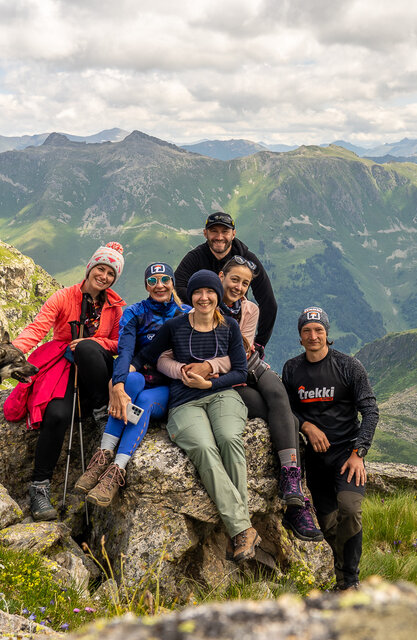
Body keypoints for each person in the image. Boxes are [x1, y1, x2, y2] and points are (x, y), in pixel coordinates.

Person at [158, 257, 323, 541]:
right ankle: (273, 511)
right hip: (231, 378)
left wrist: (211, 367)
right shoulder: (204, 303)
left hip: (248, 366)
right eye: (234, 280)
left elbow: (244, 351)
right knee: (262, 409)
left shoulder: (249, 309)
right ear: (221, 277)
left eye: (245, 283)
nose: (239, 287)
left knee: (277, 396)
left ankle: (291, 477)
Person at [133, 270, 259, 562]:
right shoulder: (175, 326)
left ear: (217, 295)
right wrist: (121, 377)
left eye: (210, 292)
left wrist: (210, 382)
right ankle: (243, 529)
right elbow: (147, 357)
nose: (204, 298)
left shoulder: (229, 327)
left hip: (222, 395)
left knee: (229, 438)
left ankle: (238, 530)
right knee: (203, 448)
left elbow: (241, 372)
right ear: (190, 296)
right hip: (184, 401)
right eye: (198, 292)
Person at [9, 243, 126, 521]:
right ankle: (39, 488)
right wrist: (10, 353)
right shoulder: (64, 297)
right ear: (90, 267)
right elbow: (38, 329)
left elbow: (121, 342)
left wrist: (92, 342)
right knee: (57, 413)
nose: (105, 276)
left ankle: (100, 406)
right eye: (101, 268)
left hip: (97, 372)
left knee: (86, 349)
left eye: (111, 273)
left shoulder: (117, 306)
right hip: (64, 368)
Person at [72, 262, 187, 507]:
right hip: (139, 376)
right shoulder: (135, 312)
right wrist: (118, 386)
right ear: (146, 285)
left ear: (172, 283)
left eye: (165, 279)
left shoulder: (185, 313)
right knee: (131, 380)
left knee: (143, 401)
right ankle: (103, 454)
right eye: (153, 281)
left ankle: (117, 470)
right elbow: (124, 352)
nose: (159, 286)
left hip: (166, 388)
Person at [281, 306, 378, 591]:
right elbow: (284, 410)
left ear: (327, 333)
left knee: (349, 510)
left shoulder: (349, 367)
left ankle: (351, 582)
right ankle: (340, 581)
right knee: (328, 522)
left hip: (346, 455)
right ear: (300, 337)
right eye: (307, 331)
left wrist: (359, 453)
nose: (313, 336)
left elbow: (370, 411)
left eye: (318, 330)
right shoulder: (292, 369)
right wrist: (306, 426)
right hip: (314, 460)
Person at [174, 211, 277, 351]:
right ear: (205, 233)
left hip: (238, 327)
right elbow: (175, 288)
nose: (219, 237)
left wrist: (259, 344)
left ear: (233, 234)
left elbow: (268, 301)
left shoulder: (247, 258)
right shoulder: (195, 257)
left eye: (225, 231)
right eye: (214, 231)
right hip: (200, 327)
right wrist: (209, 303)